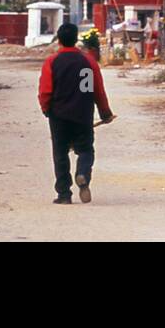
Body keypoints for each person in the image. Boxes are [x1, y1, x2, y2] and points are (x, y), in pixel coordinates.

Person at [38, 22, 115, 204]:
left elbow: (45, 91)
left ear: (59, 40)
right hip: (83, 113)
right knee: (86, 149)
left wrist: (46, 109)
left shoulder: (52, 61)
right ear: (76, 40)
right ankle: (82, 174)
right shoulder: (88, 61)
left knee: (60, 153)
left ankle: (64, 194)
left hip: (59, 115)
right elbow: (97, 90)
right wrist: (105, 112)